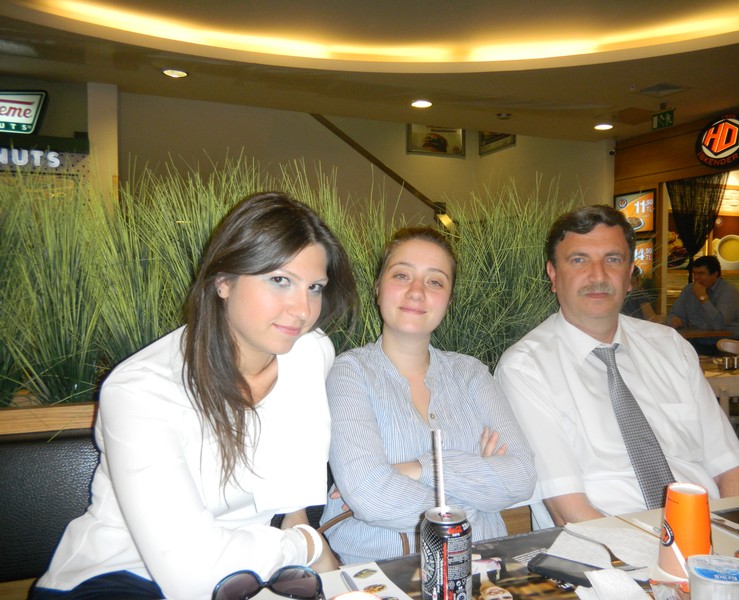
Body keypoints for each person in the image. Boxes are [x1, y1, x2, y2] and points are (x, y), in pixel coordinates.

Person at [31, 192, 358, 600]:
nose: (302, 309)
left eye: (314, 287)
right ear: (223, 281)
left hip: (252, 574)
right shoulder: (142, 390)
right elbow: (195, 577)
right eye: (279, 280)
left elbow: (292, 504)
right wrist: (305, 546)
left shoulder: (309, 354)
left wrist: (334, 580)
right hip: (120, 577)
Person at [495, 204, 739, 527]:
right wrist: (663, 552)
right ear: (553, 274)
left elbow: (732, 470)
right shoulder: (526, 368)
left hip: (709, 532)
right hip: (607, 545)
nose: (598, 276)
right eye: (579, 260)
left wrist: (735, 542)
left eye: (613, 260)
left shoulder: (671, 347)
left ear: (630, 274)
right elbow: (568, 512)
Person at [321, 227, 536, 564]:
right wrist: (477, 495)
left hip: (486, 568)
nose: (417, 292)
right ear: (377, 287)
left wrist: (417, 469)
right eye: (402, 275)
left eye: (435, 282)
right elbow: (370, 496)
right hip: (384, 573)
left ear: (448, 299)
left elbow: (522, 477)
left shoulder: (471, 373)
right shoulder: (349, 373)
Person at [666, 255, 739, 355]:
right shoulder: (689, 290)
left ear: (715, 274)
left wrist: (702, 297)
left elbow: (718, 324)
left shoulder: (728, 291)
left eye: (701, 273)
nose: (696, 278)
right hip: (701, 342)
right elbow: (674, 314)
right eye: (695, 273)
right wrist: (674, 320)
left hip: (733, 344)